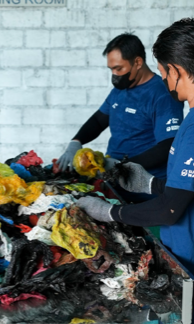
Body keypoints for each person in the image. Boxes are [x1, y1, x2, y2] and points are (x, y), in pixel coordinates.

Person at [77, 18, 194, 324]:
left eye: (163, 72)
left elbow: (171, 210)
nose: (164, 81)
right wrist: (151, 183)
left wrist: (109, 213)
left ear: (176, 70)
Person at [56, 33, 184, 201]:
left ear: (137, 62)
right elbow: (98, 120)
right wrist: (76, 142)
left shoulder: (162, 94)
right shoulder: (120, 90)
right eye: (111, 69)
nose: (115, 75)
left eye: (119, 68)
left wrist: (121, 166)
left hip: (145, 189)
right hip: (113, 181)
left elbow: (168, 146)